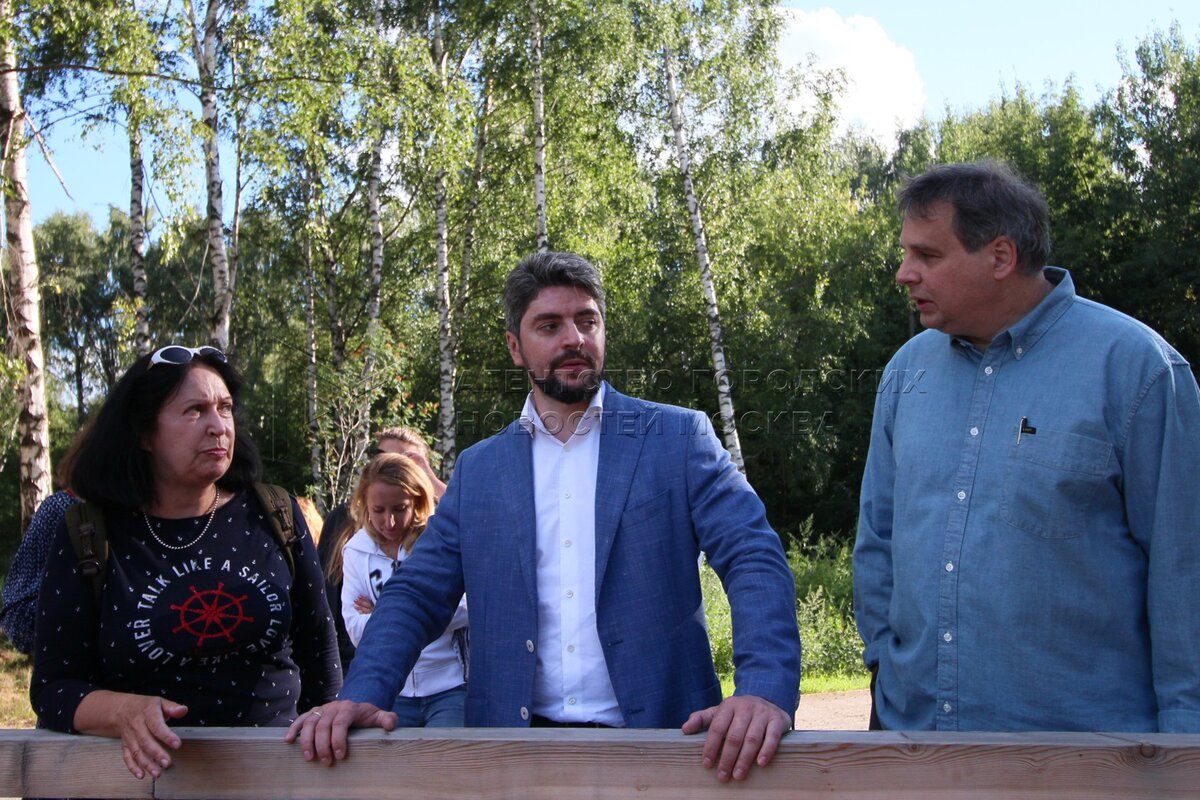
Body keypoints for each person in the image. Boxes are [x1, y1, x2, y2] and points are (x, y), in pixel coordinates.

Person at [288, 251, 800, 784]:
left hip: (667, 750)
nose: (573, 338)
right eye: (549, 325)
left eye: (587, 321)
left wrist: (764, 688)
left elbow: (752, 554)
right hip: (515, 760)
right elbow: (416, 593)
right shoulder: (480, 470)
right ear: (515, 347)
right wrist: (363, 691)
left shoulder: (677, 439)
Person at [854, 160, 1200, 732]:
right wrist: (883, 667)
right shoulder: (906, 373)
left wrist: (1185, 742)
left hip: (1087, 757)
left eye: (927, 255)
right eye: (906, 253)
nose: (903, 273)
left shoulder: (1138, 371)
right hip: (913, 738)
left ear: (1000, 257)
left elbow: (1183, 571)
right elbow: (877, 542)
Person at [30, 344, 342, 780]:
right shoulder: (89, 532)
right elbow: (53, 688)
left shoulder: (276, 513)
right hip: (139, 782)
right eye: (194, 411)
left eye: (225, 408)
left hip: (276, 776)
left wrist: (327, 764)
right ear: (143, 433)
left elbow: (321, 654)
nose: (219, 427)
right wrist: (121, 711)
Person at [339, 452, 468, 726]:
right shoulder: (355, 551)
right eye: (379, 510)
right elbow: (354, 629)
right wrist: (425, 613)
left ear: (418, 503)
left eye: (400, 509)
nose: (390, 522)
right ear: (364, 505)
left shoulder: (439, 545)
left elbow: (469, 608)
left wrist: (383, 612)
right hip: (392, 691)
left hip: (450, 685)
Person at [316, 426, 447, 675]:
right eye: (380, 457)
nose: (389, 522)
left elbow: (461, 607)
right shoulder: (343, 525)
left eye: (403, 463)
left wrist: (382, 611)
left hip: (432, 673)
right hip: (355, 662)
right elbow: (329, 602)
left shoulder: (435, 537)